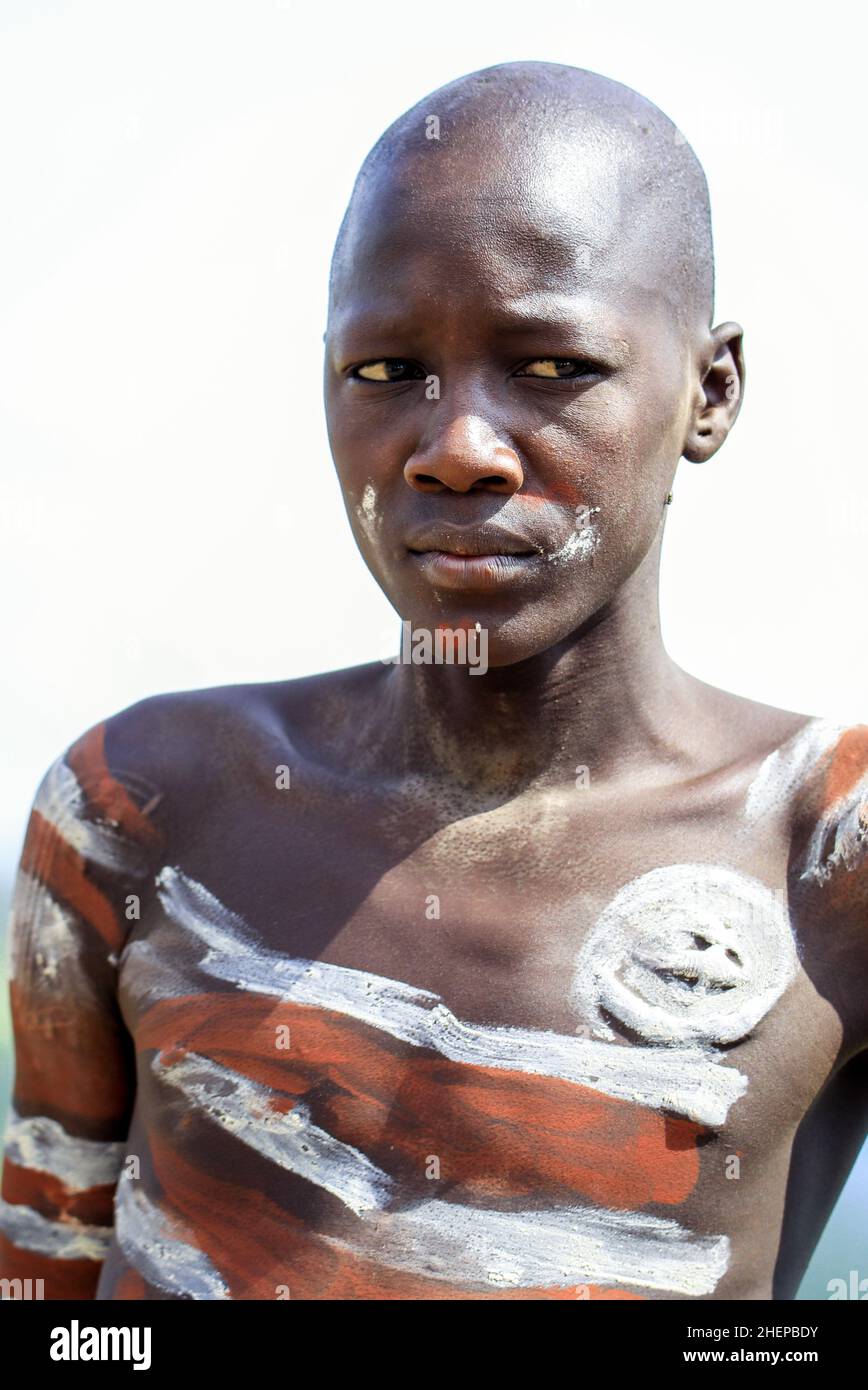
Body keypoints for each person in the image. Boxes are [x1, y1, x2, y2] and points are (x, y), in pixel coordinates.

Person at [2, 60, 866, 1302]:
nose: (456, 446)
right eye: (384, 371)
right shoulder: (139, 812)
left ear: (709, 390)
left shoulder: (821, 851)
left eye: (552, 365)